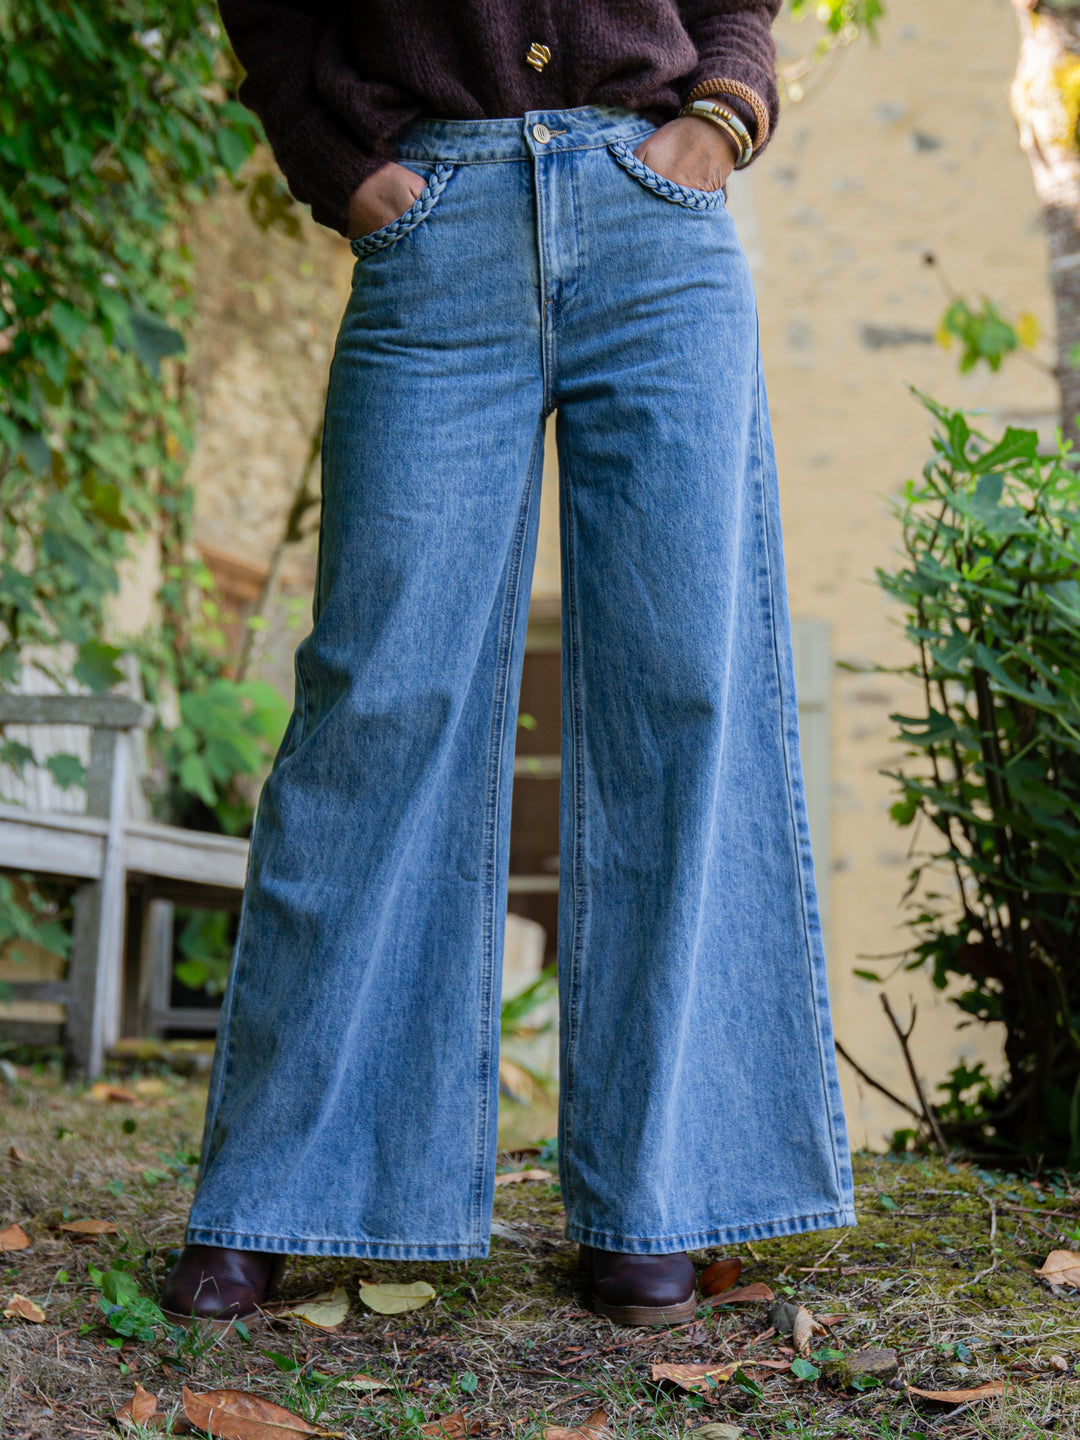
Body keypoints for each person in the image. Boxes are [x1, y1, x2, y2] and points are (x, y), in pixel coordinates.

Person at [163, 0, 855, 1330]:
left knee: (683, 691)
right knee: (379, 694)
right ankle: (276, 1193)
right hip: (437, 225)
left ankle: (660, 1199)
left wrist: (721, 117)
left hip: (658, 219)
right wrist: (340, 164)